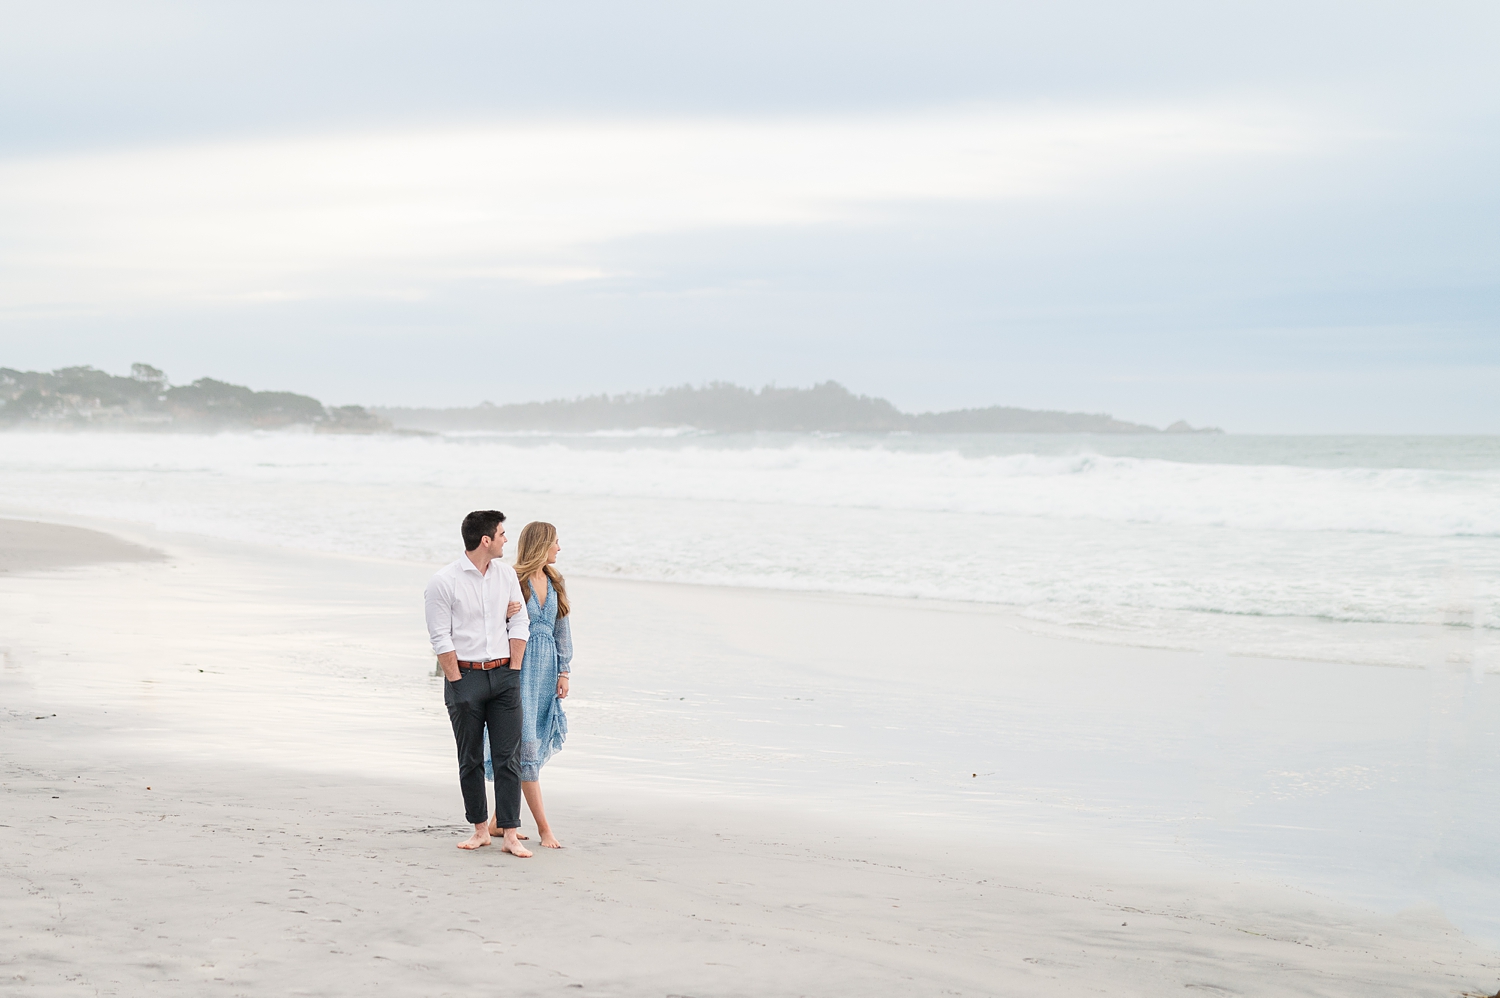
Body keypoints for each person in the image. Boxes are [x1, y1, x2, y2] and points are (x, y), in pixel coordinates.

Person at [423, 510, 533, 856]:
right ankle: (480, 829)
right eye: (501, 534)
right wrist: (456, 680)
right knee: (470, 757)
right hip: (465, 677)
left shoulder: (506, 576)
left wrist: (513, 669)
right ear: (485, 540)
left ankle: (511, 835)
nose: (505, 540)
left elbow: (521, 622)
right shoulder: (443, 581)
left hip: (504, 677)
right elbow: (440, 636)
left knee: (507, 757)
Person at [491, 520, 572, 848]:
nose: (559, 548)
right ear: (541, 544)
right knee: (525, 748)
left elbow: (562, 629)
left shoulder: (555, 580)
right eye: (555, 542)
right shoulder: (513, 580)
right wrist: (505, 613)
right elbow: (491, 624)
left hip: (546, 671)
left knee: (529, 744)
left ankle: (498, 821)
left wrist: (564, 672)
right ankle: (544, 829)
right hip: (519, 671)